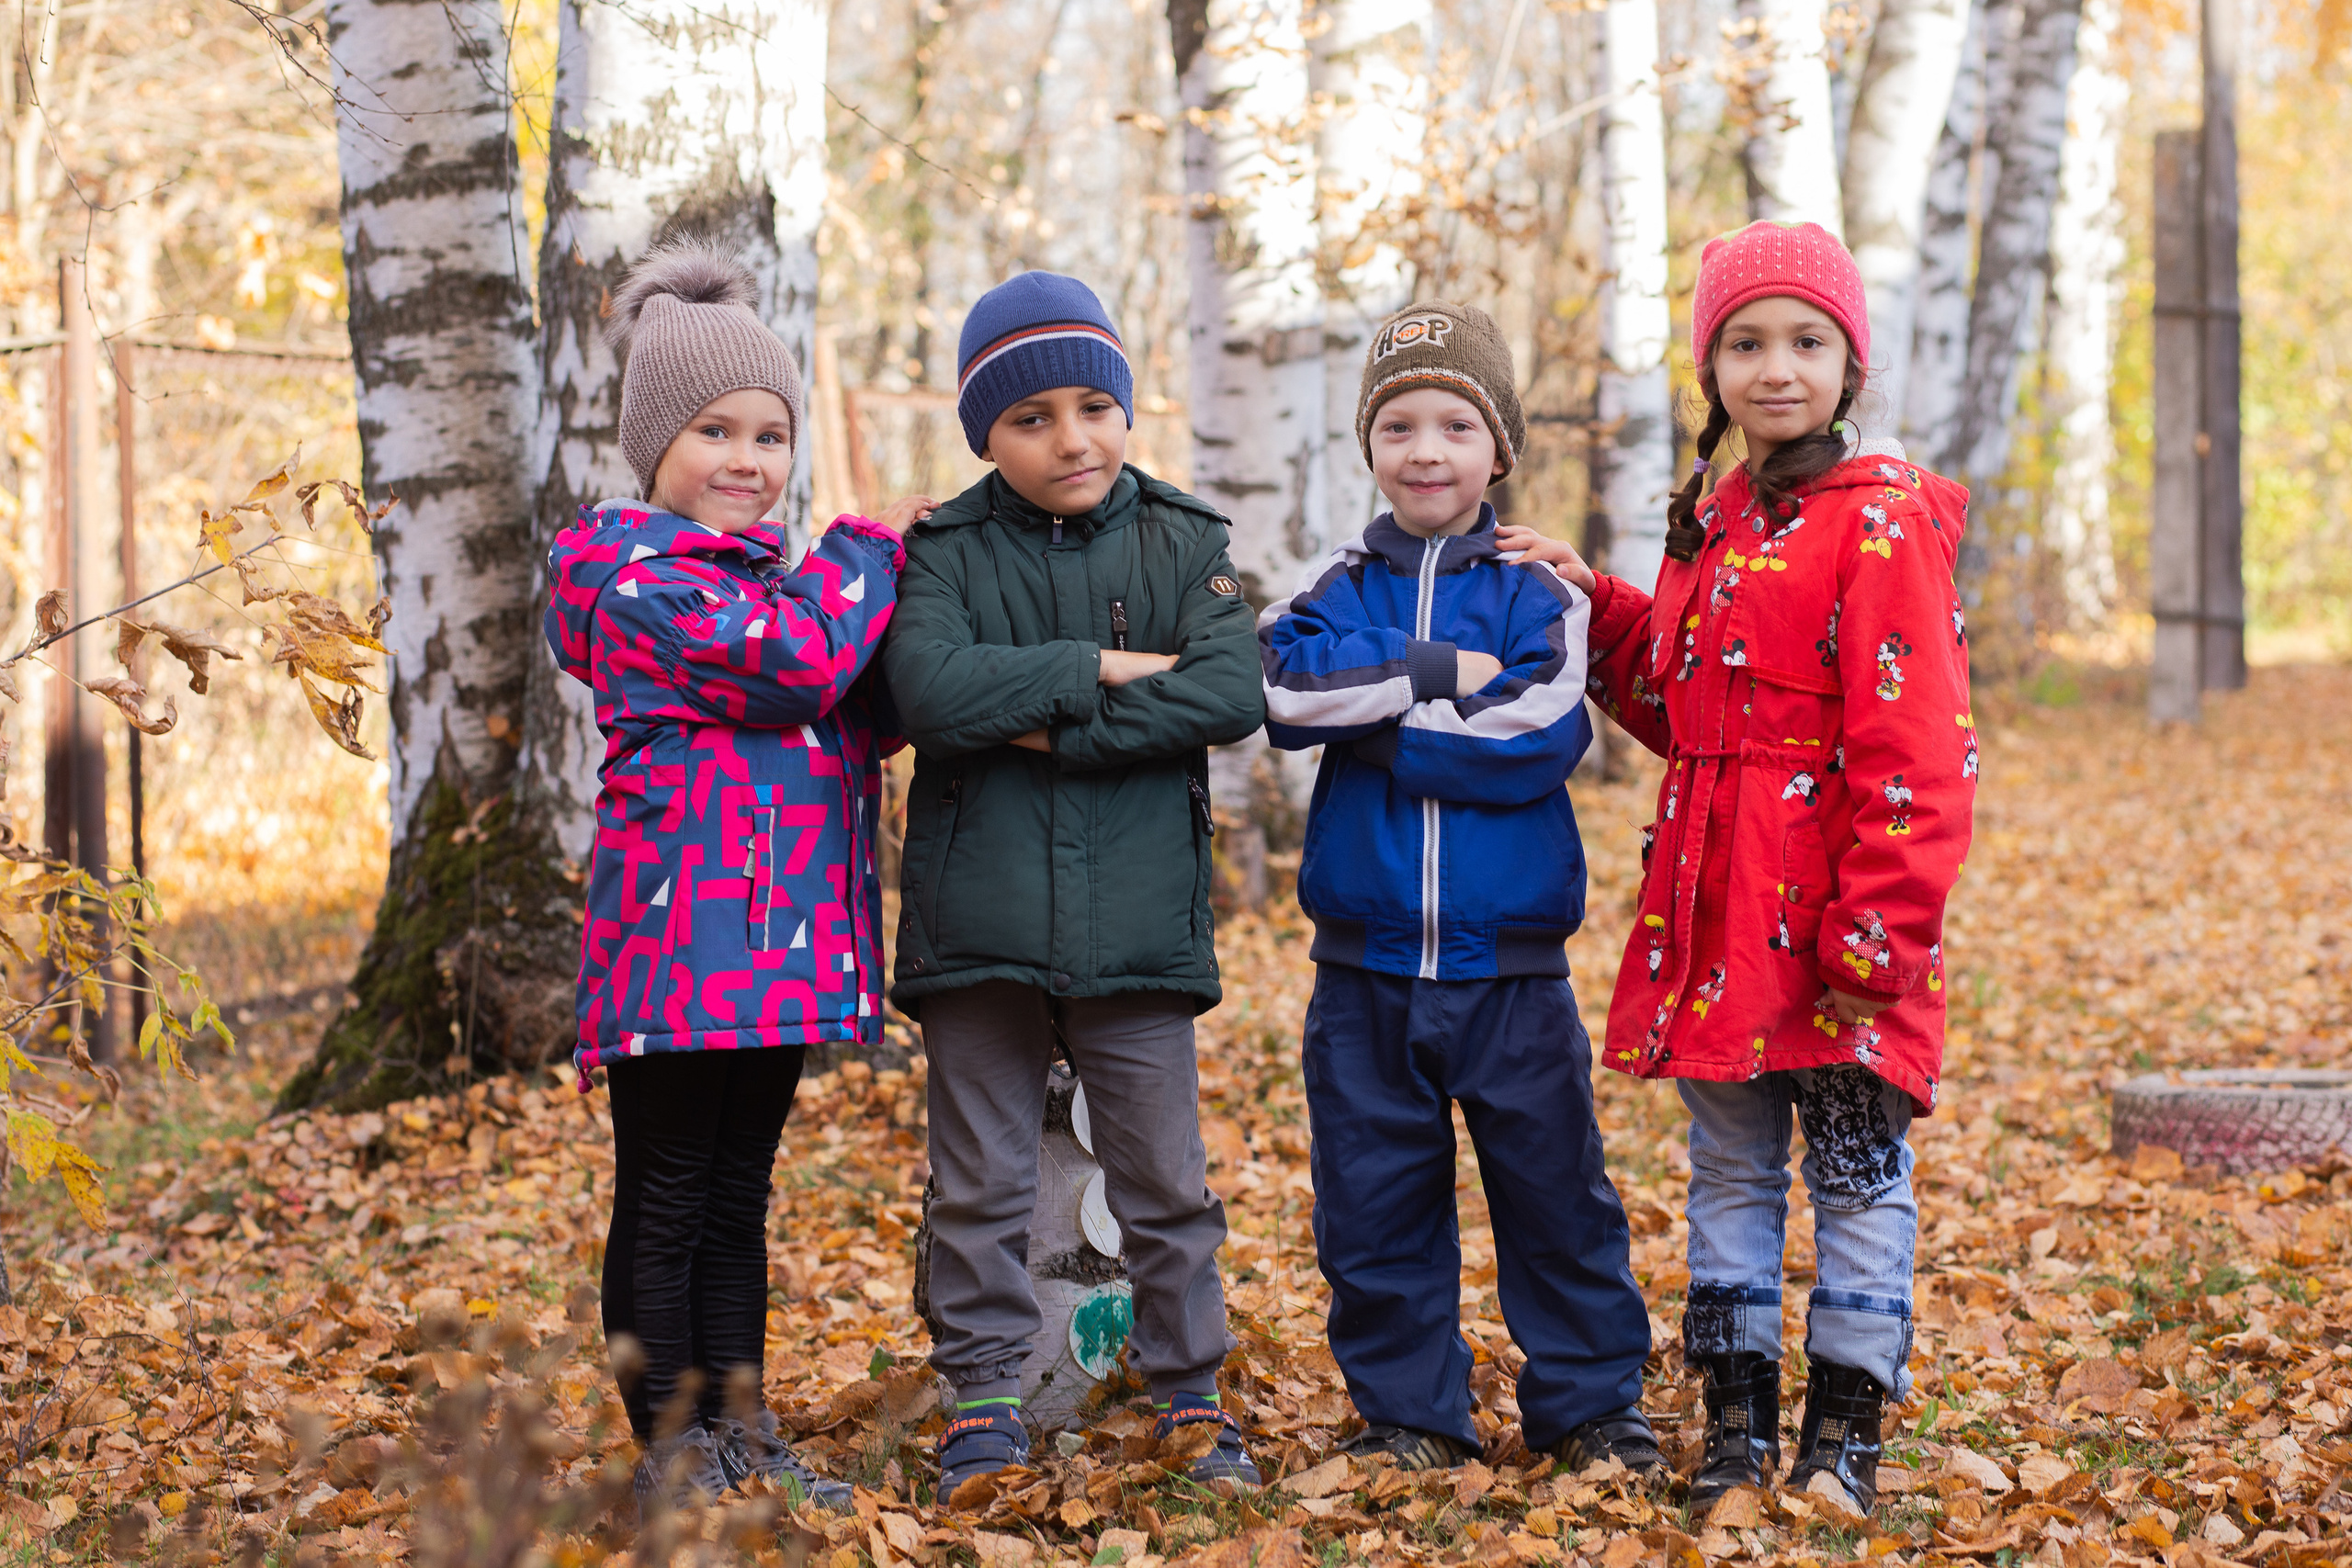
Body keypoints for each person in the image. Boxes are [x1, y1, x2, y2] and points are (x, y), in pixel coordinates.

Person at [1498, 220, 1976, 1514]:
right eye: (1746, 343)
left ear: (1849, 363)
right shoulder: (1712, 519)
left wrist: (1879, 933)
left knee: (1854, 1170)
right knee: (1728, 1169)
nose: (1776, 368)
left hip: (1832, 920)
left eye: (1806, 342)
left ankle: (1845, 1429)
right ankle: (1736, 1422)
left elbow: (1922, 751)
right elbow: (1687, 707)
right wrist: (1594, 604)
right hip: (1718, 920)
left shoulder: (1881, 524)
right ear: (1710, 367)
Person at [544, 238, 930, 1519]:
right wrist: (867, 548)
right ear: (654, 444)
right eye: (715, 431)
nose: (748, 460)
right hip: (676, 947)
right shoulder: (637, 582)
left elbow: (850, 706)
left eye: (770, 435)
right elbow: (799, 665)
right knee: (665, 1193)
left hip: (778, 946)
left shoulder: (770, 580)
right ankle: (670, 1444)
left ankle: (740, 1426)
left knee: (737, 1194)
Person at [1257, 300, 1661, 1478]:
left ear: (1499, 449)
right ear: (1368, 446)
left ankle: (1590, 1410)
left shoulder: (1541, 591)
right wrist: (1436, 672)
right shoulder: (1337, 584)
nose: (1424, 451)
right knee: (1372, 1204)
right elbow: (1276, 682)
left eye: (1454, 425)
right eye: (1397, 426)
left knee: (1555, 1198)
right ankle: (1410, 1416)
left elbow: (1531, 733)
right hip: (1364, 968)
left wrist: (1374, 725)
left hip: (1509, 971)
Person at [880, 271, 1268, 1496]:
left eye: (1092, 407)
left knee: (1163, 1179)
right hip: (977, 922)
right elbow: (927, 694)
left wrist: (1036, 722)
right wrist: (1102, 665)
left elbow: (1228, 693)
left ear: (1124, 407)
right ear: (984, 434)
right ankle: (984, 1398)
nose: (1071, 439)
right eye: (1031, 418)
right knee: (979, 1182)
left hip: (1137, 922)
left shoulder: (1185, 539)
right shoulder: (942, 549)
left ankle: (1190, 1393)